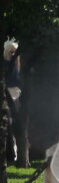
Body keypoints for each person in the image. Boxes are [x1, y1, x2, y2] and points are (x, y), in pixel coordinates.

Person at [3, 38, 23, 167]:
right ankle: (11, 151)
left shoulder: (15, 62)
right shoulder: (6, 63)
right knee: (10, 121)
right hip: (9, 92)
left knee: (15, 120)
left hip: (15, 91)